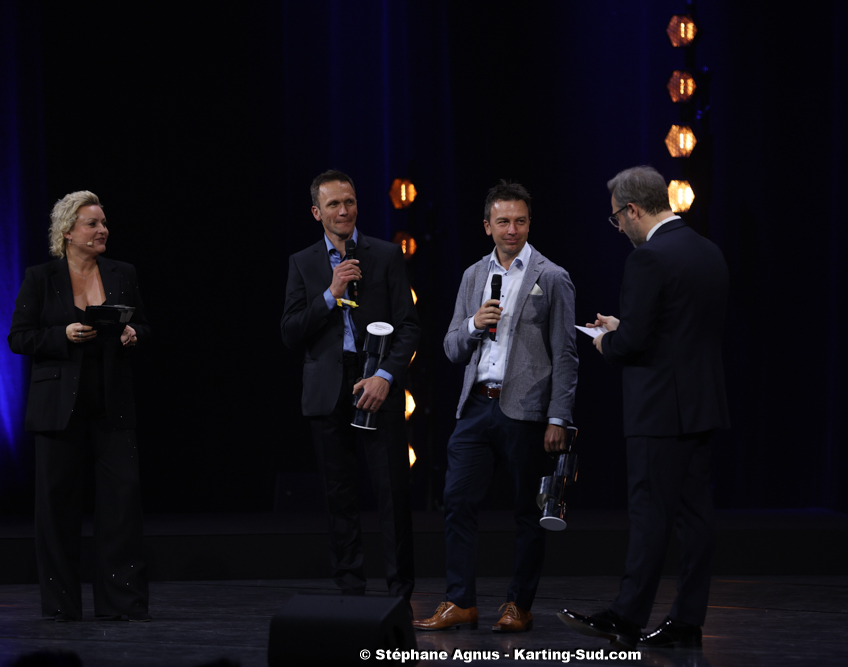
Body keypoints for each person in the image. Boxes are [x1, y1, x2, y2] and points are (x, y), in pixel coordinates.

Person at [557, 166, 729, 649]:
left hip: (659, 409)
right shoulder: (708, 250)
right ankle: (687, 621)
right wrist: (625, 326)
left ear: (632, 210)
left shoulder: (648, 258)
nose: (618, 228)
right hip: (701, 404)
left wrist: (607, 341)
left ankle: (627, 616)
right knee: (695, 518)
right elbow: (679, 328)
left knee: (650, 513)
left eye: (617, 218)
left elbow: (631, 345)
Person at [413, 181, 578, 633]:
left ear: (530, 223)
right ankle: (460, 602)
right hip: (476, 405)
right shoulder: (473, 275)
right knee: (456, 501)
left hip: (527, 410)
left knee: (528, 510)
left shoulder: (551, 276)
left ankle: (518, 605)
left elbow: (566, 355)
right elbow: (451, 347)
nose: (512, 230)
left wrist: (559, 417)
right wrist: (473, 323)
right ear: (487, 225)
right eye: (503, 221)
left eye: (520, 221)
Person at [8, 191, 150, 622]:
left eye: (103, 222)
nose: (102, 229)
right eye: (93, 223)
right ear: (68, 232)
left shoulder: (122, 273)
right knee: (57, 509)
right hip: (58, 407)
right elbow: (19, 337)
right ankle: (61, 606)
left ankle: (122, 603)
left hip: (111, 403)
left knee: (121, 505)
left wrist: (133, 334)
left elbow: (143, 324)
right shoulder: (41, 277)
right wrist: (62, 335)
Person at [281, 169, 420, 600]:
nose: (344, 211)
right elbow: (290, 331)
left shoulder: (386, 254)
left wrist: (385, 376)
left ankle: (401, 592)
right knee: (338, 493)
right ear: (316, 212)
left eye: (350, 202)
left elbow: (409, 327)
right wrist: (330, 293)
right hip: (327, 387)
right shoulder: (302, 262)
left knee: (392, 491)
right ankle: (350, 589)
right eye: (334, 204)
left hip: (376, 381)